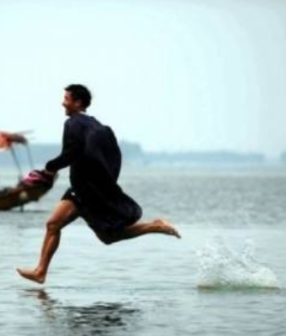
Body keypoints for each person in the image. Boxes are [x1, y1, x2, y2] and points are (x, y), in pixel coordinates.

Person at [16, 84, 181, 284]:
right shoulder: (100, 127)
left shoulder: (73, 123)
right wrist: (107, 185)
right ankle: (154, 226)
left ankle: (41, 271)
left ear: (78, 102)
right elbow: (114, 158)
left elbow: (71, 152)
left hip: (85, 190)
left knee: (60, 226)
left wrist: (50, 168)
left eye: (66, 99)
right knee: (100, 236)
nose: (63, 103)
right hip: (88, 188)